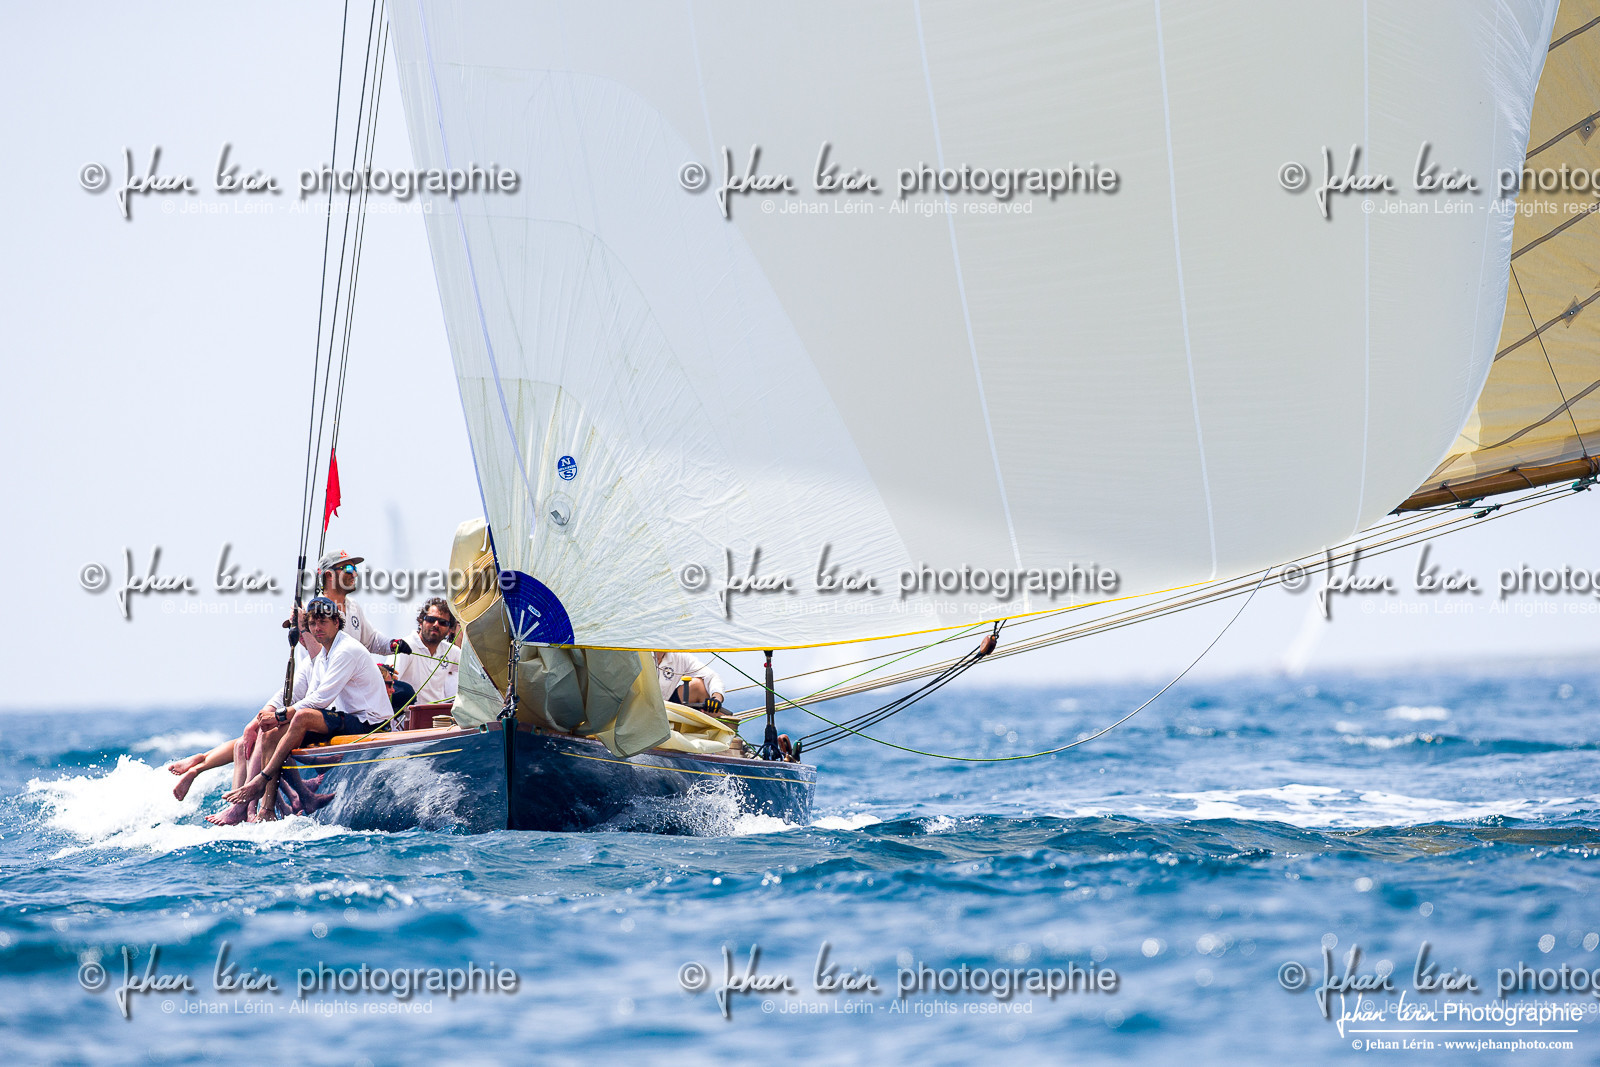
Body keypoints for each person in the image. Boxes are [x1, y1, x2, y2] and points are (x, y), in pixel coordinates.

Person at [220, 596, 391, 820]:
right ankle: (266, 810)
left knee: (301, 717)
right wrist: (270, 719)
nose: (317, 628)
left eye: (323, 622)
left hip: (370, 723)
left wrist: (281, 715)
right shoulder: (322, 656)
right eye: (312, 623)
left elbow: (320, 699)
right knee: (271, 733)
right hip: (345, 718)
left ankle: (262, 780)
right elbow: (307, 696)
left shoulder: (346, 650)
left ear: (336, 622)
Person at [386, 598, 462, 706]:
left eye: (443, 622)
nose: (436, 624)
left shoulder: (452, 652)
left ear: (450, 630)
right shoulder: (405, 646)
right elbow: (388, 682)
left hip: (439, 715)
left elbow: (476, 671)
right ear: (421, 622)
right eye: (431, 619)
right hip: (409, 715)